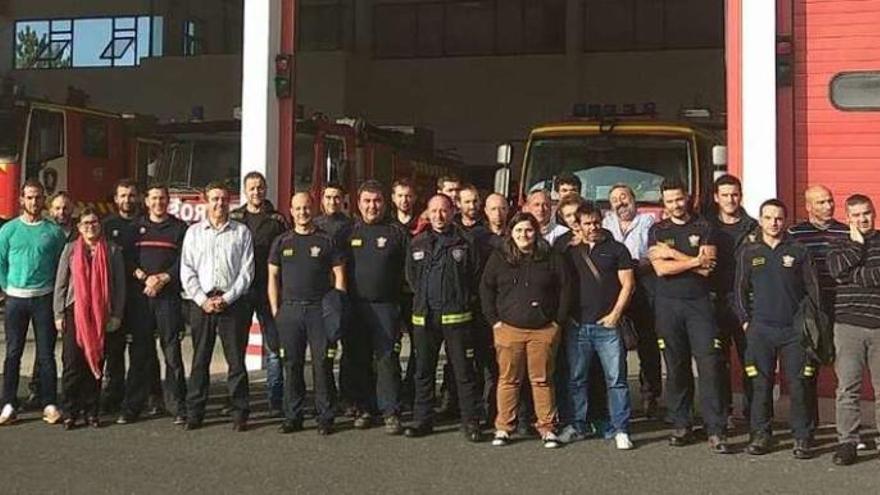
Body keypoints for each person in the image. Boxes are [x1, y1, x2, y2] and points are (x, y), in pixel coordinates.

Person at [648, 179, 729, 453]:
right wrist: (694, 260)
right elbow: (660, 270)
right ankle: (682, 424)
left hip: (700, 306)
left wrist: (672, 254)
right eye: (669, 201)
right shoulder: (657, 229)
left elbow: (708, 270)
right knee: (676, 367)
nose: (675, 205)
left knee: (709, 366)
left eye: (679, 199)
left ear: (688, 198)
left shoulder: (705, 227)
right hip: (668, 306)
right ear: (664, 202)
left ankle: (716, 428)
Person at [734, 199, 819, 459]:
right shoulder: (749, 252)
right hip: (760, 330)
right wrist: (746, 320)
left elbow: (813, 290)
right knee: (761, 384)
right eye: (768, 218)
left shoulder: (799, 250)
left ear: (786, 220)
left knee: (799, 384)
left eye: (779, 218)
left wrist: (813, 325)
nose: (774, 223)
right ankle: (761, 434)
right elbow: (739, 290)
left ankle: (802, 437)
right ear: (760, 220)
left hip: (794, 331)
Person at [480, 211, 571, 448]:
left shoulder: (551, 256)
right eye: (519, 230)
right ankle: (503, 428)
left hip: (543, 330)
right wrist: (494, 322)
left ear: (536, 232)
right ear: (511, 233)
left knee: (541, 380)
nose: (524, 234)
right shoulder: (499, 257)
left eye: (528, 230)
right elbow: (486, 289)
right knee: (509, 380)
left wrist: (557, 322)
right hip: (509, 329)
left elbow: (565, 289)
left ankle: (547, 428)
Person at [403, 194, 482, 442]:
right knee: (423, 371)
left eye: (444, 211)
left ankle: (470, 422)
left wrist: (460, 299)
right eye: (434, 210)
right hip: (425, 317)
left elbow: (474, 277)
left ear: (452, 212)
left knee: (463, 372)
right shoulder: (417, 242)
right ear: (427, 212)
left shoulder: (465, 242)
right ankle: (422, 419)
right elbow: (411, 278)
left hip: (456, 318)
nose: (439, 216)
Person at [558, 203, 635, 449]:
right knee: (576, 378)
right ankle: (576, 425)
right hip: (577, 326)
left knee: (616, 379)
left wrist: (615, 314)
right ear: (577, 225)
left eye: (596, 222)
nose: (593, 227)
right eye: (587, 223)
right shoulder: (567, 250)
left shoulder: (616, 249)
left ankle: (620, 428)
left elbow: (628, 285)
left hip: (608, 326)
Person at [180, 182, 254, 431]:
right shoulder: (193, 233)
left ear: (229, 202)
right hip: (201, 304)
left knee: (236, 362)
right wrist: (202, 299)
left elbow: (247, 271)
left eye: (223, 199)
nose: (219, 203)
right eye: (214, 199)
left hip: (232, 304)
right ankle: (195, 413)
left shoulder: (241, 232)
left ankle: (239, 412)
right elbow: (187, 270)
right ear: (206, 201)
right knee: (200, 360)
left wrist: (228, 298)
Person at [269, 192, 345, 435]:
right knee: (292, 365)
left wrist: (337, 309)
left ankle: (326, 416)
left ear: (313, 209)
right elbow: (272, 276)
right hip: (290, 311)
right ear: (291, 211)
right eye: (297, 208)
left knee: (322, 364)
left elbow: (340, 276)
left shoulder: (326, 241)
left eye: (306, 208)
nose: (302, 213)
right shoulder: (282, 241)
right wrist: (276, 310)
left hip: (318, 310)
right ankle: (293, 415)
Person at [117, 184, 189, 425]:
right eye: (154, 198)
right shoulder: (134, 228)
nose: (158, 202)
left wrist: (163, 278)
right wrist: (143, 277)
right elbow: (126, 259)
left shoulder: (179, 228)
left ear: (168, 201)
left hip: (168, 299)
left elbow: (185, 262)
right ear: (146, 201)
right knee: (139, 355)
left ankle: (177, 406)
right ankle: (132, 407)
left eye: (163, 198)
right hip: (141, 299)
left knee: (172, 354)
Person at [0, 180, 67, 425]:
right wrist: (7, 287)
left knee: (46, 354)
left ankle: (49, 403)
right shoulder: (8, 230)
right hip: (16, 300)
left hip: (44, 298)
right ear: (21, 199)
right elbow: (1, 262)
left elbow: (62, 265)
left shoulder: (54, 232)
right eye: (29, 197)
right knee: (13, 353)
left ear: (43, 200)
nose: (34, 202)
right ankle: (8, 402)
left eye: (38, 197)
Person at [53, 208, 126, 429]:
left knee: (95, 361)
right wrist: (58, 314)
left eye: (94, 222)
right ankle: (70, 411)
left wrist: (116, 315)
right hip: (74, 312)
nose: (90, 226)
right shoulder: (70, 250)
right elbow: (61, 284)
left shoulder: (112, 250)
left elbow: (120, 286)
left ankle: (91, 411)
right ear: (79, 227)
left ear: (99, 225)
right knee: (72, 364)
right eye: (85, 223)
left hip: (101, 313)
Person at [345, 181, 409, 433]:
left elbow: (408, 274)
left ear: (385, 203)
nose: (372, 206)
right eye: (367, 201)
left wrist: (403, 311)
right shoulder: (348, 233)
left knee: (386, 360)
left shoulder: (396, 232)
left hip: (386, 308)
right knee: (357, 359)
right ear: (358, 203)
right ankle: (364, 408)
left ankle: (391, 412)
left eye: (377, 201)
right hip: (355, 307)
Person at [787, 185, 848, 438]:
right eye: (821, 202)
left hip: (840, 306)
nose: (828, 206)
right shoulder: (794, 234)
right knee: (807, 369)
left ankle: (846, 429)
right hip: (809, 309)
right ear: (808, 207)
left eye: (830, 200)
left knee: (844, 368)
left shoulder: (846, 232)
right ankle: (808, 428)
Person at [827, 194, 880, 466]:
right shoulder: (838, 244)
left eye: (867, 213)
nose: (863, 219)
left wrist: (852, 275)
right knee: (848, 388)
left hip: (879, 326)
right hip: (848, 326)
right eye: (857, 215)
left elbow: (872, 276)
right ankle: (847, 442)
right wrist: (857, 248)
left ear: (874, 213)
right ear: (848, 218)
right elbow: (836, 269)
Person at [103, 179, 164, 417]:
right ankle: (113, 396)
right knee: (114, 350)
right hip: (116, 295)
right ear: (116, 199)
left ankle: (153, 395)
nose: (127, 200)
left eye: (131, 195)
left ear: (139, 198)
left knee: (145, 348)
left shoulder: (145, 223)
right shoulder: (108, 225)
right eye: (123, 195)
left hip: (143, 296)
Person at [230, 171, 288, 416]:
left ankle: (275, 399)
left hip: (269, 290)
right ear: (245, 191)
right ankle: (237, 400)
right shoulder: (235, 218)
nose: (256, 192)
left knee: (275, 347)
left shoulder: (277, 220)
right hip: (241, 291)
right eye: (252, 188)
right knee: (237, 347)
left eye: (260, 188)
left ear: (266, 190)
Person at [603, 183, 661, 417]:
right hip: (614, 288)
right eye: (615, 199)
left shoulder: (649, 222)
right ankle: (618, 398)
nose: (620, 202)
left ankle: (651, 395)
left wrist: (635, 264)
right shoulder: (605, 223)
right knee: (615, 345)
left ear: (634, 199)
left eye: (624, 197)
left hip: (644, 286)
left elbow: (655, 254)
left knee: (647, 344)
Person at [711, 174, 758, 423]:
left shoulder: (754, 227)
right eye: (725, 195)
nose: (731, 199)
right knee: (718, 363)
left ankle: (752, 413)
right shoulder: (706, 227)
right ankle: (724, 412)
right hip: (715, 302)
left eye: (735, 194)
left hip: (746, 303)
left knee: (750, 360)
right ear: (716, 198)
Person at [25, 190, 76, 409]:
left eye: (65, 208)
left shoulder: (79, 233)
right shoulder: (44, 231)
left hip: (72, 297)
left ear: (72, 209)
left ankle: (70, 391)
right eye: (57, 208)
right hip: (47, 296)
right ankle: (38, 390)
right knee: (44, 347)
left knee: (72, 349)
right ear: (50, 209)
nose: (61, 212)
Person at [392, 178, 419, 407]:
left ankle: (410, 391)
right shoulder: (387, 227)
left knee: (418, 346)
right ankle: (391, 391)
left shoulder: (423, 225)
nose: (404, 200)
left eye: (408, 195)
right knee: (390, 345)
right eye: (400, 195)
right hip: (391, 295)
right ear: (393, 198)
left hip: (414, 295)